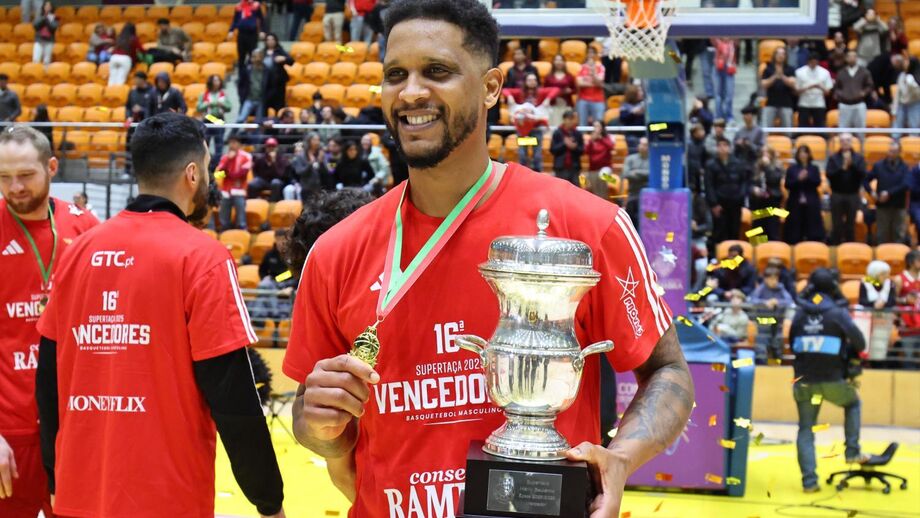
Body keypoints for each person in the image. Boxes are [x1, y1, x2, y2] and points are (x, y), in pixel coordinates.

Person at [283, 2, 693, 517]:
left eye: (437, 71)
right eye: (395, 75)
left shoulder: (589, 225)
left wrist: (620, 458)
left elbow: (670, 372)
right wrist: (317, 424)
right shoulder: (335, 252)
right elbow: (317, 425)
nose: (410, 93)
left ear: (492, 87)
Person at [33, 113, 285, 518]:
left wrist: (54, 477)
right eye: (208, 169)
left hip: (78, 494)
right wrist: (268, 500)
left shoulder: (78, 253)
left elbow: (47, 381)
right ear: (192, 173)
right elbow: (233, 397)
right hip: (167, 498)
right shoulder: (203, 258)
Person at [0, 126, 98, 518]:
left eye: (25, 175)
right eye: (4, 177)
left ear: (52, 167)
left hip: (76, 426)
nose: (15, 187)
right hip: (10, 433)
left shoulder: (86, 227)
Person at [789, 268, 869, 493]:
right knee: (853, 404)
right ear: (834, 286)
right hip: (832, 380)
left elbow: (792, 342)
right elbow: (861, 344)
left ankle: (809, 482)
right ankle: (852, 451)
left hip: (804, 383)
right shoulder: (838, 313)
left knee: (806, 429)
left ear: (810, 287)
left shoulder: (799, 314)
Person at [705, 136, 748, 244]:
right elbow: (709, 186)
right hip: (720, 204)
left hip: (735, 203)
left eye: (725, 145)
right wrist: (714, 204)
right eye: (719, 145)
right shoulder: (711, 165)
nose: (722, 148)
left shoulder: (738, 163)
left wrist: (741, 197)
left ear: (729, 148)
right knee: (719, 232)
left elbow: (744, 182)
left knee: (734, 230)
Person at [864, 141, 908, 245]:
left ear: (899, 152)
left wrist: (889, 193)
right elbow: (865, 180)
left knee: (898, 233)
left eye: (894, 151)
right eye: (890, 151)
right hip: (882, 205)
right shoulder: (878, 165)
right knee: (882, 234)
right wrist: (871, 193)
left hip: (899, 205)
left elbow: (905, 185)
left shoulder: (904, 167)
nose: (890, 153)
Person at [783, 144, 825, 244]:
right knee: (795, 225)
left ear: (809, 154)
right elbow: (787, 185)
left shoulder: (814, 168)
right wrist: (798, 179)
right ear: (797, 155)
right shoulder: (791, 168)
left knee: (812, 224)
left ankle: (813, 242)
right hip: (795, 200)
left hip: (811, 200)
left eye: (805, 152)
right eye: (801, 152)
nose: (803, 155)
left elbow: (817, 182)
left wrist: (807, 177)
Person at [750, 266, 793, 362]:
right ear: (766, 279)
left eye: (776, 279)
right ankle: (762, 362)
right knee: (762, 342)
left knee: (777, 343)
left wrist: (777, 302)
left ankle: (777, 361)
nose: (774, 281)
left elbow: (789, 301)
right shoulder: (761, 289)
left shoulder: (781, 288)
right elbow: (752, 300)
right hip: (763, 320)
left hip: (778, 321)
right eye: (771, 279)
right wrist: (765, 303)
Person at [216, 135, 252, 230]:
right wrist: (229, 160)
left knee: (241, 219)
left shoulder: (246, 156)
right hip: (225, 190)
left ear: (239, 144)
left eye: (234, 142)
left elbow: (242, 174)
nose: (231, 145)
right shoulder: (225, 157)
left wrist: (227, 173)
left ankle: (242, 230)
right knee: (224, 220)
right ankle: (225, 230)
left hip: (239, 190)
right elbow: (219, 174)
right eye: (230, 143)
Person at [834, 50, 874, 135]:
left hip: (859, 104)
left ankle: (861, 144)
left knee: (861, 131)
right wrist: (840, 94)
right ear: (846, 58)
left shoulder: (864, 72)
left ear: (857, 58)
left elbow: (870, 85)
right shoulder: (841, 72)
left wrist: (864, 93)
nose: (852, 58)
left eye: (854, 56)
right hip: (844, 104)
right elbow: (836, 87)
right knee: (843, 131)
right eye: (850, 56)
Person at [750, 146, 784, 241]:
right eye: (763, 153)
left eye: (767, 153)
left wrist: (767, 167)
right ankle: (757, 248)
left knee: (772, 229)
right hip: (758, 202)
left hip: (773, 203)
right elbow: (750, 182)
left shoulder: (777, 167)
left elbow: (774, 180)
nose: (764, 155)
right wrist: (754, 189)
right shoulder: (756, 166)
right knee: (758, 230)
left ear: (772, 155)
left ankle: (772, 248)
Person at [760, 46, 797, 130]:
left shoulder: (790, 69)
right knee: (766, 129)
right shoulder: (768, 69)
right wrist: (774, 76)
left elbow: (793, 84)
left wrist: (782, 76)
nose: (781, 56)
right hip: (771, 103)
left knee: (788, 129)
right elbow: (763, 84)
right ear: (774, 55)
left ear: (786, 56)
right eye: (779, 53)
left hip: (786, 103)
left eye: (783, 54)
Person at [198, 74, 233, 161]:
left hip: (219, 119)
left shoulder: (223, 94)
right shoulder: (204, 94)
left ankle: (218, 163)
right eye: (215, 80)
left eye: (218, 80)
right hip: (208, 119)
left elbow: (229, 107)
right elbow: (199, 107)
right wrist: (209, 104)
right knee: (205, 143)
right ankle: (206, 162)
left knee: (219, 143)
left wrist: (222, 104)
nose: (217, 82)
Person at [795, 52, 834, 129]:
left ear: (818, 62)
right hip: (804, 103)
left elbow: (828, 92)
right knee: (802, 127)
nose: (813, 64)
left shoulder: (825, 72)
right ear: (808, 61)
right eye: (811, 62)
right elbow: (796, 91)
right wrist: (808, 87)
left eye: (815, 62)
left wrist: (820, 87)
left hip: (819, 103)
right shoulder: (799, 72)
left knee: (820, 127)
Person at [234, 48, 267, 131]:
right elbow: (240, 85)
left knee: (259, 122)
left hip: (261, 100)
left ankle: (257, 139)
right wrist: (242, 97)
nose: (256, 58)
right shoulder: (247, 70)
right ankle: (231, 135)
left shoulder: (267, 70)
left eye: (258, 56)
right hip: (249, 99)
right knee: (241, 119)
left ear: (262, 57)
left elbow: (271, 86)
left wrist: (267, 97)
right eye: (254, 56)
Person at [261, 34, 294, 114]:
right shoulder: (262, 52)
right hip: (266, 85)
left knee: (279, 106)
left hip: (278, 84)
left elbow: (291, 61)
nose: (270, 41)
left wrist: (284, 58)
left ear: (276, 41)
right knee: (264, 106)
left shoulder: (279, 51)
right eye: (268, 40)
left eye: (272, 39)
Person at [550, 109, 584, 186]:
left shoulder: (578, 134)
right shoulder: (557, 133)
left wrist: (574, 147)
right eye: (569, 119)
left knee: (575, 190)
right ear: (564, 119)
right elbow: (552, 150)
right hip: (560, 168)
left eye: (572, 119)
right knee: (561, 190)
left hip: (574, 168)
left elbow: (582, 150)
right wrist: (564, 144)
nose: (571, 122)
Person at [228, 0, 265, 68]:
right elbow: (235, 20)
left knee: (253, 55)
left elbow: (261, 19)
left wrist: (262, 31)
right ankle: (242, 73)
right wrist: (231, 30)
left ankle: (252, 72)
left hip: (252, 34)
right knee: (241, 56)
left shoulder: (256, 5)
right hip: (242, 34)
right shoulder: (238, 6)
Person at [575, 45, 606, 126]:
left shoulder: (601, 67)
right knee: (582, 124)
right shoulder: (581, 67)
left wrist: (593, 72)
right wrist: (595, 83)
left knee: (599, 124)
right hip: (583, 100)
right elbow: (579, 83)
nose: (590, 54)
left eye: (592, 53)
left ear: (596, 55)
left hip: (598, 100)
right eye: (588, 52)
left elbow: (599, 82)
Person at [622, 136, 650, 226]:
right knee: (629, 218)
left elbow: (652, 174)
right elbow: (626, 174)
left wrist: (636, 172)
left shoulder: (653, 160)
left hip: (648, 195)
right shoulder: (630, 159)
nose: (642, 146)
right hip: (633, 193)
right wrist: (644, 176)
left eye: (645, 144)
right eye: (640, 144)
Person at [543, 54, 576, 125]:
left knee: (566, 125)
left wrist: (570, 91)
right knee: (553, 125)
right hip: (553, 105)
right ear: (553, 62)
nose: (559, 62)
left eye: (561, 60)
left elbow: (575, 90)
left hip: (566, 104)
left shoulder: (569, 76)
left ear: (564, 62)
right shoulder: (548, 77)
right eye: (557, 60)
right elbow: (544, 91)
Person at [585, 120, 615, 199]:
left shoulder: (607, 137)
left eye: (598, 126)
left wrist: (601, 138)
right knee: (595, 189)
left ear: (602, 127)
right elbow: (586, 151)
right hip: (593, 169)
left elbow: (611, 147)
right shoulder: (591, 139)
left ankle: (605, 200)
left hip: (606, 167)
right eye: (594, 126)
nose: (596, 128)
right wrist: (591, 141)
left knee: (602, 176)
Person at [893, 57, 920, 138]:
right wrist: (894, 108)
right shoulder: (902, 75)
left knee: (914, 124)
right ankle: (895, 141)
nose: (905, 64)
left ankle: (913, 142)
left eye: (907, 62)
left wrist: (913, 86)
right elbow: (898, 93)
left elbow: (918, 94)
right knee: (898, 123)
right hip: (902, 103)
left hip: (914, 103)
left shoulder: (917, 75)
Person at [712, 37, 736, 122]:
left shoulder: (733, 42)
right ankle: (718, 115)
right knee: (718, 94)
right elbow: (711, 36)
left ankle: (729, 115)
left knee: (729, 94)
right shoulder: (717, 41)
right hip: (718, 69)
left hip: (729, 68)